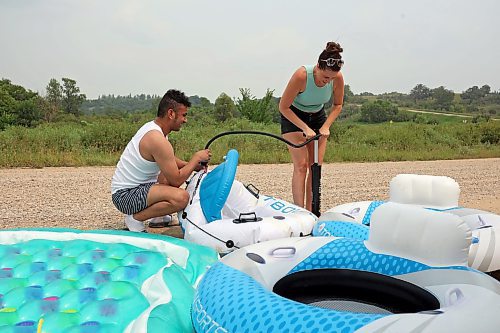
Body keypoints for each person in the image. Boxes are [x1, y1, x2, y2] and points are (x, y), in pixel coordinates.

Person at [111, 89, 211, 232]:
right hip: (126, 197)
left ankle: (157, 218)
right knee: (181, 198)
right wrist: (195, 159)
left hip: (135, 189)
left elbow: (167, 159)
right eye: (183, 115)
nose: (185, 120)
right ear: (171, 114)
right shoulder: (156, 139)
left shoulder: (156, 129)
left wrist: (191, 165)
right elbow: (176, 180)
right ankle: (135, 219)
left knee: (167, 175)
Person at [279, 41, 345, 211]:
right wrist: (304, 127)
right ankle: (298, 212)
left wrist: (326, 126)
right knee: (301, 165)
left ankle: (312, 212)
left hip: (318, 117)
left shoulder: (337, 77)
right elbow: (283, 107)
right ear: (317, 67)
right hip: (294, 115)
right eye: (325, 77)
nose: (327, 82)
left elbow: (337, 105)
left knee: (315, 166)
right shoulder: (302, 76)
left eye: (331, 79)